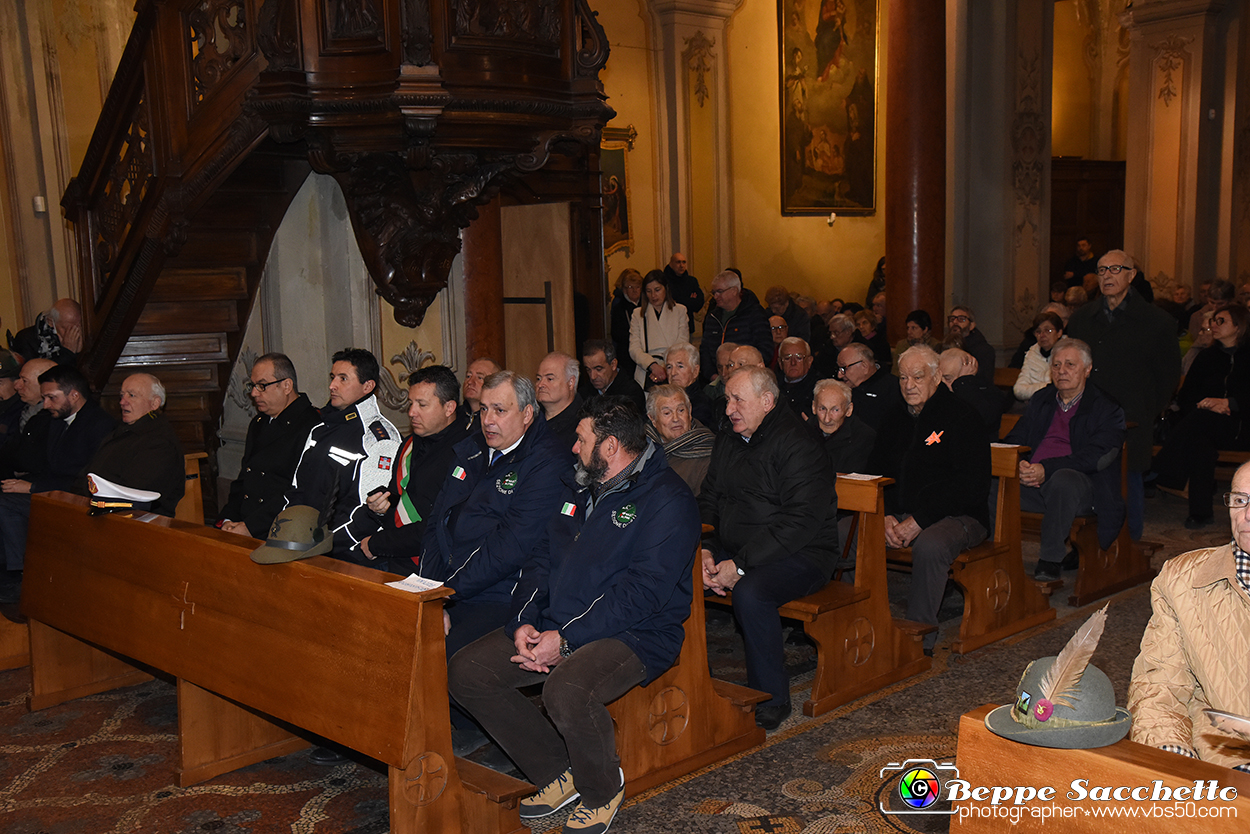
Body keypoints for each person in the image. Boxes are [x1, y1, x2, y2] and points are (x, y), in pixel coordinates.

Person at [448, 396, 699, 833]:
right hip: (558, 622)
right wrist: (525, 621)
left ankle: (601, 790)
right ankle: (557, 771)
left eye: (581, 440)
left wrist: (566, 639)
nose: (572, 448)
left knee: (566, 689)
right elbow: (541, 558)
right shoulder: (578, 486)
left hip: (636, 633)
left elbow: (641, 593)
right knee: (468, 672)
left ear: (610, 447)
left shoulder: (668, 500)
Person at [418, 370, 568, 753]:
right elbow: (438, 522)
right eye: (484, 409)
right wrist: (429, 589)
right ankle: (437, 726)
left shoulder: (545, 461)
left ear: (528, 414)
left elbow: (511, 546)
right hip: (452, 586)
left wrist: (445, 595)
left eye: (500, 410)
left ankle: (481, 735)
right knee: (402, 634)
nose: (488, 420)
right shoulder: (470, 449)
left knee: (445, 654)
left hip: (503, 593)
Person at [699, 366, 838, 728]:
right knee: (673, 573)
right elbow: (709, 498)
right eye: (728, 399)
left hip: (804, 553)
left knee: (751, 592)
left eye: (737, 400)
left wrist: (740, 565)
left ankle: (772, 699)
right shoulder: (730, 437)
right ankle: (693, 685)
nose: (729, 408)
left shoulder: (799, 443)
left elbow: (798, 522)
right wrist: (706, 549)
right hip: (741, 549)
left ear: (767, 401)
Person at [1126, 459, 1250, 771]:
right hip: (1225, 762)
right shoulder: (1184, 579)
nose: (1246, 516)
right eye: (1239, 500)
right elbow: (1160, 686)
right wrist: (1170, 758)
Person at [868, 347, 990, 653]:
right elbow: (874, 471)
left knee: (930, 545)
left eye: (918, 376)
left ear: (936, 377)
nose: (909, 384)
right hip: (899, 514)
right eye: (904, 377)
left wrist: (918, 521)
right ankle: (857, 625)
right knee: (845, 534)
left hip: (960, 516)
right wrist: (883, 515)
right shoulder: (894, 416)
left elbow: (969, 486)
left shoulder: (962, 416)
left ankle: (919, 637)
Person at [1066, 250, 1180, 539]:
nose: (1107, 275)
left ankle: (1129, 547)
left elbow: (1167, 376)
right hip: (1086, 412)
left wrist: (1145, 410)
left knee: (1128, 483)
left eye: (1116, 269)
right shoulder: (1082, 318)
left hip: (1132, 416)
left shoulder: (1157, 322)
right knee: (1082, 479)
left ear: (1131, 275)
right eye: (1102, 270)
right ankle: (1086, 547)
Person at [1004, 338, 1126, 581]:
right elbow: (1015, 438)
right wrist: (1019, 463)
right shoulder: (1042, 399)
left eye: (1070, 364)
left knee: (1063, 480)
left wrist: (1046, 469)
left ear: (1087, 369)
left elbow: (1096, 457)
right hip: (1033, 482)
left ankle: (1050, 558)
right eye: (1057, 365)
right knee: (991, 480)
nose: (1062, 371)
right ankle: (992, 556)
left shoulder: (1106, 407)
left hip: (1082, 489)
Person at [0, 364, 115, 604]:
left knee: (8, 503)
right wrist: (24, 481)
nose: (46, 405)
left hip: (82, 497)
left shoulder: (100, 425)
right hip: (56, 488)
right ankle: (17, 571)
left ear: (74, 394)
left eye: (52, 398)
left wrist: (32, 487)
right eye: (44, 398)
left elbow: (87, 479)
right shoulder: (56, 419)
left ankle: (22, 575)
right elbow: (47, 467)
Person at [277, 348, 401, 562]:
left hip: (345, 553)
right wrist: (287, 533)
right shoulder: (321, 428)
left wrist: (325, 544)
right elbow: (298, 488)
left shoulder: (379, 436)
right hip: (306, 543)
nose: (332, 385)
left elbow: (369, 512)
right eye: (333, 377)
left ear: (368, 386)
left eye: (343, 379)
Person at [356, 365, 473, 576]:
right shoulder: (410, 444)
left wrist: (377, 545)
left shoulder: (466, 452)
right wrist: (382, 506)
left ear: (449, 408)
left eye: (422, 404)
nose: (411, 412)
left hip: (438, 568)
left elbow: (439, 526)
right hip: (399, 559)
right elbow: (400, 500)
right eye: (411, 403)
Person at [1154, 304, 1250, 528]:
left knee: (1199, 426)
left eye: (1221, 321)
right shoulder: (1206, 357)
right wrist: (1208, 405)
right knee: (1200, 445)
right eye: (1212, 321)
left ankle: (1163, 470)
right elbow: (1187, 397)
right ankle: (1200, 513)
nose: (1212, 326)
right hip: (1209, 426)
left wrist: (1229, 403)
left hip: (1243, 427)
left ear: (1238, 326)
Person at [218, 354, 321, 538]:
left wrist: (250, 527)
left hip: (279, 531)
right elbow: (245, 479)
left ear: (286, 386)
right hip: (244, 523)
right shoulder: (259, 423)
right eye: (253, 386)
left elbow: (298, 493)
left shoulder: (312, 426)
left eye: (262, 386)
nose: (254, 393)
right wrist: (227, 519)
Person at [80, 373, 184, 517]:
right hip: (103, 511)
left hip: (137, 521)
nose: (122, 402)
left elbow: (135, 494)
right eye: (122, 395)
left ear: (154, 403)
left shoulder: (160, 443)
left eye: (132, 395)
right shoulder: (121, 431)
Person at [699, 271, 772, 383]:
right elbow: (705, 349)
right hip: (717, 380)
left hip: (748, 380)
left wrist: (744, 373)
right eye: (714, 292)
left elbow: (765, 349)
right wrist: (712, 375)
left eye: (719, 291)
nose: (715, 296)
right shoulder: (712, 317)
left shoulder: (755, 314)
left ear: (734, 291)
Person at [646, 384, 714, 495]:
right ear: (652, 419)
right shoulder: (641, 446)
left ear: (690, 411)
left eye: (681, 410)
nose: (676, 419)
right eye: (667, 413)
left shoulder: (706, 451)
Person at [629, 271, 689, 387]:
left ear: (666, 289)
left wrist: (665, 367)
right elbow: (634, 348)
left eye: (657, 290)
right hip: (647, 370)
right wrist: (653, 366)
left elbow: (682, 343)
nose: (653, 295)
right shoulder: (638, 314)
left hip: (673, 369)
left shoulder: (680, 311)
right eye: (648, 291)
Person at [938, 348, 1004, 444]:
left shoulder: (990, 395)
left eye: (948, 378)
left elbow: (980, 420)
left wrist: (963, 383)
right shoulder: (937, 395)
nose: (942, 384)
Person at [810, 378, 874, 474]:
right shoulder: (801, 433)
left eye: (835, 410)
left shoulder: (864, 438)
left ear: (849, 410)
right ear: (814, 407)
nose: (827, 419)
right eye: (822, 409)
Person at [837, 342, 901, 431]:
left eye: (844, 368)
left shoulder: (893, 388)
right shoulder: (842, 389)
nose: (839, 375)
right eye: (839, 369)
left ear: (864, 366)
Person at [9, 298, 83, 366]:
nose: (75, 332)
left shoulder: (86, 334)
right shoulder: (26, 339)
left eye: (78, 327)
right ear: (51, 322)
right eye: (68, 329)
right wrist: (67, 352)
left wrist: (81, 354)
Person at [535, 351, 584, 451]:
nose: (540, 385)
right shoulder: (530, 416)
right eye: (538, 378)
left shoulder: (584, 422)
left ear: (571, 383)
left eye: (549, 379)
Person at [1013, 312, 1065, 402]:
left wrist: (1034, 388)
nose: (1042, 335)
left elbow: (1063, 389)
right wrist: (1047, 387)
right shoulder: (1032, 353)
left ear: (1059, 333)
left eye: (1048, 330)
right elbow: (1018, 390)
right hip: (1033, 404)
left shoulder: (1069, 353)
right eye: (1038, 331)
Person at [582, 339, 645, 412]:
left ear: (613, 364)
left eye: (598, 369)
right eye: (588, 370)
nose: (593, 376)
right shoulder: (584, 393)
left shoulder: (631, 393)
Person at [663, 342, 714, 427]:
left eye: (680, 366)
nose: (673, 373)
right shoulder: (661, 400)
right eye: (669, 367)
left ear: (695, 371)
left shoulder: (703, 406)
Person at [945, 306, 995, 383]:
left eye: (961, 319)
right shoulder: (943, 346)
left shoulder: (984, 351)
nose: (955, 322)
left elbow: (983, 380)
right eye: (952, 319)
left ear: (971, 326)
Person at [609, 268, 643, 384]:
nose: (634, 290)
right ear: (624, 290)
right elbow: (616, 333)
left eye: (637, 287)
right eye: (630, 287)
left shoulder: (646, 305)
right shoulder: (620, 307)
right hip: (626, 353)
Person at [663, 251, 704, 332]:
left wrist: (679, 300)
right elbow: (669, 303)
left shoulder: (692, 281)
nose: (681, 265)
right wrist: (689, 300)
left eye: (684, 262)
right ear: (671, 264)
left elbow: (699, 303)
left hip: (687, 326)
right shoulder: (663, 281)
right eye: (678, 262)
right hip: (668, 326)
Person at [775, 337, 816, 417]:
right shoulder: (773, 385)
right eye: (787, 358)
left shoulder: (819, 388)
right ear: (780, 363)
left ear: (809, 361)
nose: (793, 363)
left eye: (799, 358)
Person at [459, 357, 501, 429]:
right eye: (468, 376)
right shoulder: (453, 417)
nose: (470, 382)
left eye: (480, 378)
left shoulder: (498, 421)